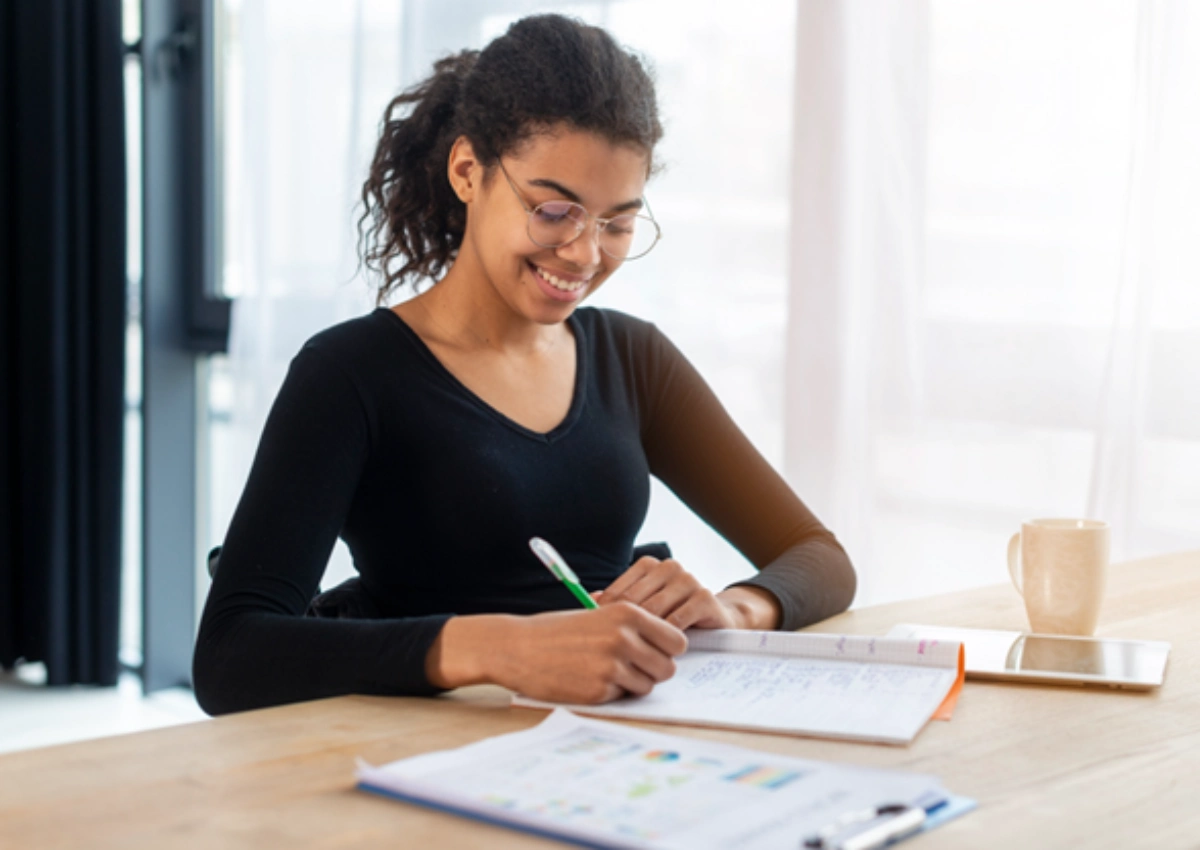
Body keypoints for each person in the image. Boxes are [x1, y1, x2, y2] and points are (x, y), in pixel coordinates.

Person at [192, 14, 855, 716]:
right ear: (468, 171)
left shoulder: (635, 359)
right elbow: (232, 656)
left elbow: (820, 557)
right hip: (428, 760)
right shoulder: (349, 374)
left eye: (617, 223)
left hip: (614, 747)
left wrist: (736, 608)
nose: (584, 253)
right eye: (553, 210)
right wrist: (500, 649)